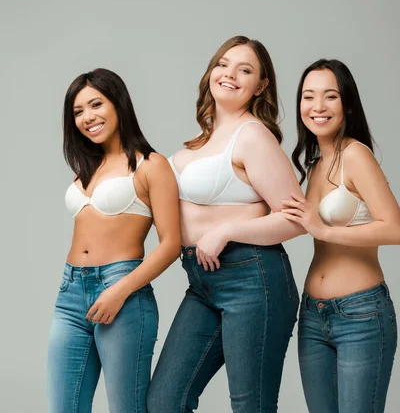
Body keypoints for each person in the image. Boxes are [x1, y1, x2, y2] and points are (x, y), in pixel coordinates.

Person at [147, 36, 306, 413]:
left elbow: (296, 219)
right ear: (210, 72)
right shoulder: (196, 144)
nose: (229, 74)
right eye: (223, 64)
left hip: (253, 279)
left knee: (250, 406)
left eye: (245, 70)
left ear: (260, 86)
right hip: (202, 281)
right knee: (164, 401)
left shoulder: (251, 136)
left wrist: (227, 230)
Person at [47, 68, 180, 413]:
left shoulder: (152, 165)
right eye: (78, 112)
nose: (87, 117)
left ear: (118, 104)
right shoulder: (86, 169)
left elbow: (170, 245)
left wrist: (118, 291)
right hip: (71, 292)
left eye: (96, 105)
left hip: (123, 291)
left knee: (126, 408)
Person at [282, 59, 400, 413]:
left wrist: (322, 229)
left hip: (361, 314)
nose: (317, 107)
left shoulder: (356, 155)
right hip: (314, 316)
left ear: (346, 104)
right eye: (308, 96)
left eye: (329, 96)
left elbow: (395, 228)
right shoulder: (315, 164)